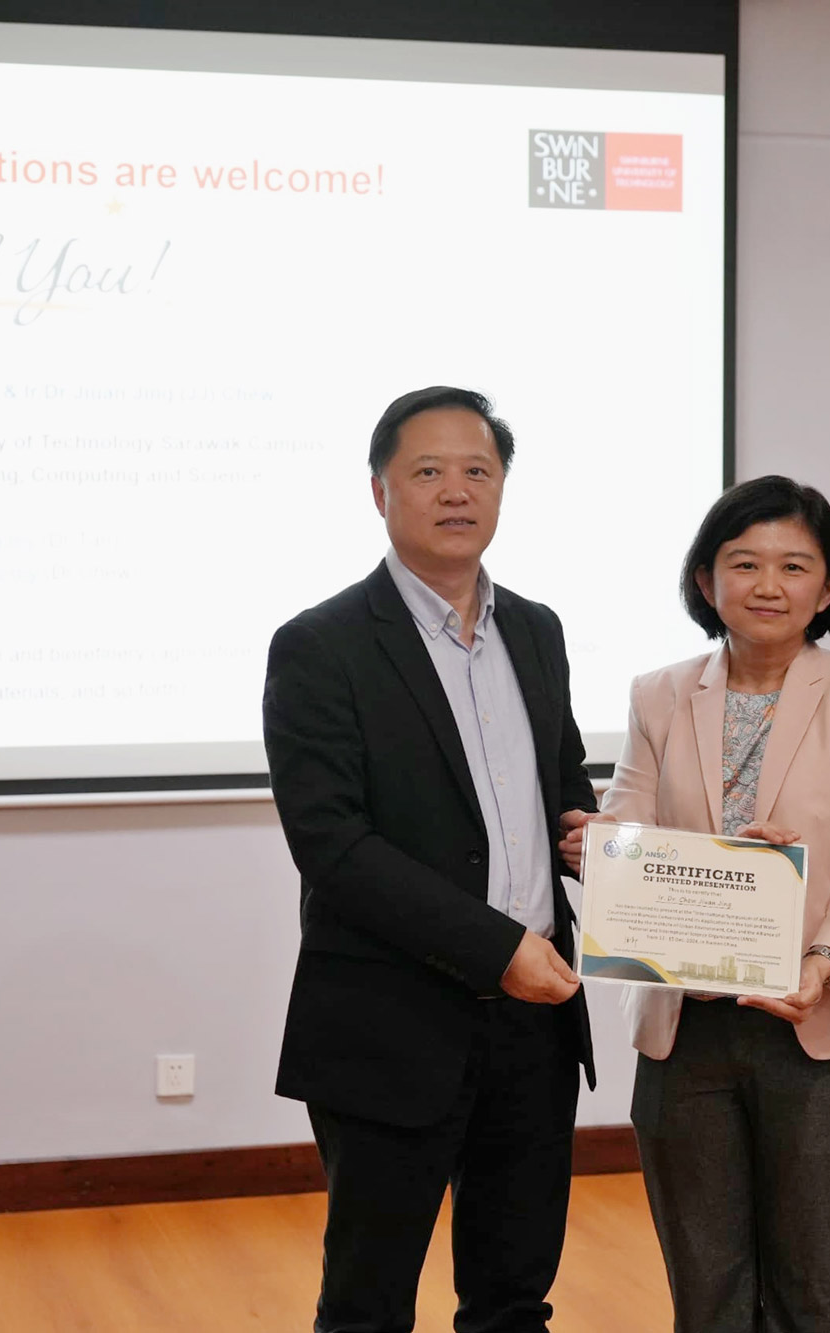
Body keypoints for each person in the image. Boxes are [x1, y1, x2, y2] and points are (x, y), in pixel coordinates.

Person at [263, 386, 598, 1333]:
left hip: (535, 1022)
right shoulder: (320, 645)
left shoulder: (536, 628)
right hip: (390, 1022)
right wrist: (497, 946)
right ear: (380, 491)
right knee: (368, 1302)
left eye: (478, 470)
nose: (458, 491)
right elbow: (334, 847)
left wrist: (604, 844)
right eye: (429, 471)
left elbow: (562, 785)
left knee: (513, 1296)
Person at [562, 474, 830, 1331]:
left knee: (814, 1280)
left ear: (829, 587)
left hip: (816, 1020)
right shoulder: (660, 691)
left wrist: (821, 959)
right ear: (705, 580)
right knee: (706, 1283)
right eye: (744, 562)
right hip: (684, 1023)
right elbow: (632, 822)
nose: (769, 585)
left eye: (795, 565)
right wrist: (601, 850)